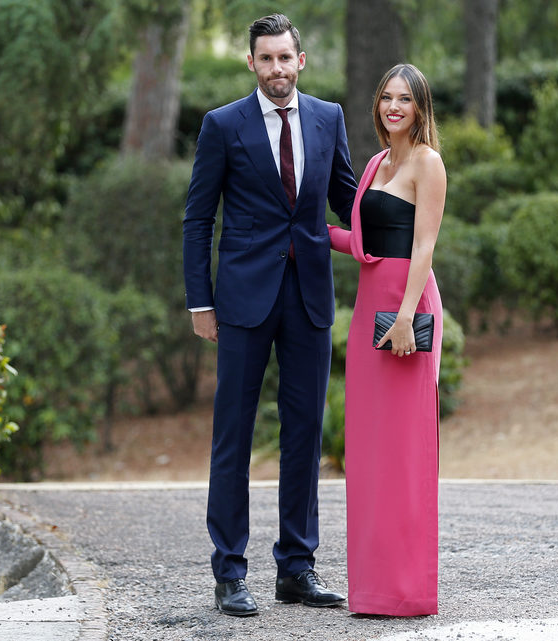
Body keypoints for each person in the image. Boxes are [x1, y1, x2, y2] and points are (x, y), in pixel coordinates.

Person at [182, 13, 357, 617]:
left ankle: (297, 567)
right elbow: (198, 218)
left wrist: (406, 195)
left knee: (305, 432)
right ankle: (230, 572)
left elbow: (348, 198)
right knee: (233, 434)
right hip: (241, 300)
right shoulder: (222, 125)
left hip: (308, 297)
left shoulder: (327, 118)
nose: (277, 69)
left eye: (286, 58)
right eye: (266, 59)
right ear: (251, 63)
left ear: (300, 61)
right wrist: (199, 301)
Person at [327, 63, 446, 616]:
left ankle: (407, 591)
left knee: (404, 453)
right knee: (370, 454)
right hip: (368, 307)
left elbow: (422, 248)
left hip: (405, 308)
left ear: (420, 108)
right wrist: (312, 231)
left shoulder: (428, 163)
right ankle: (372, 591)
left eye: (405, 99)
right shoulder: (376, 162)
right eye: (386, 98)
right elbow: (364, 240)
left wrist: (403, 316)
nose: (393, 107)